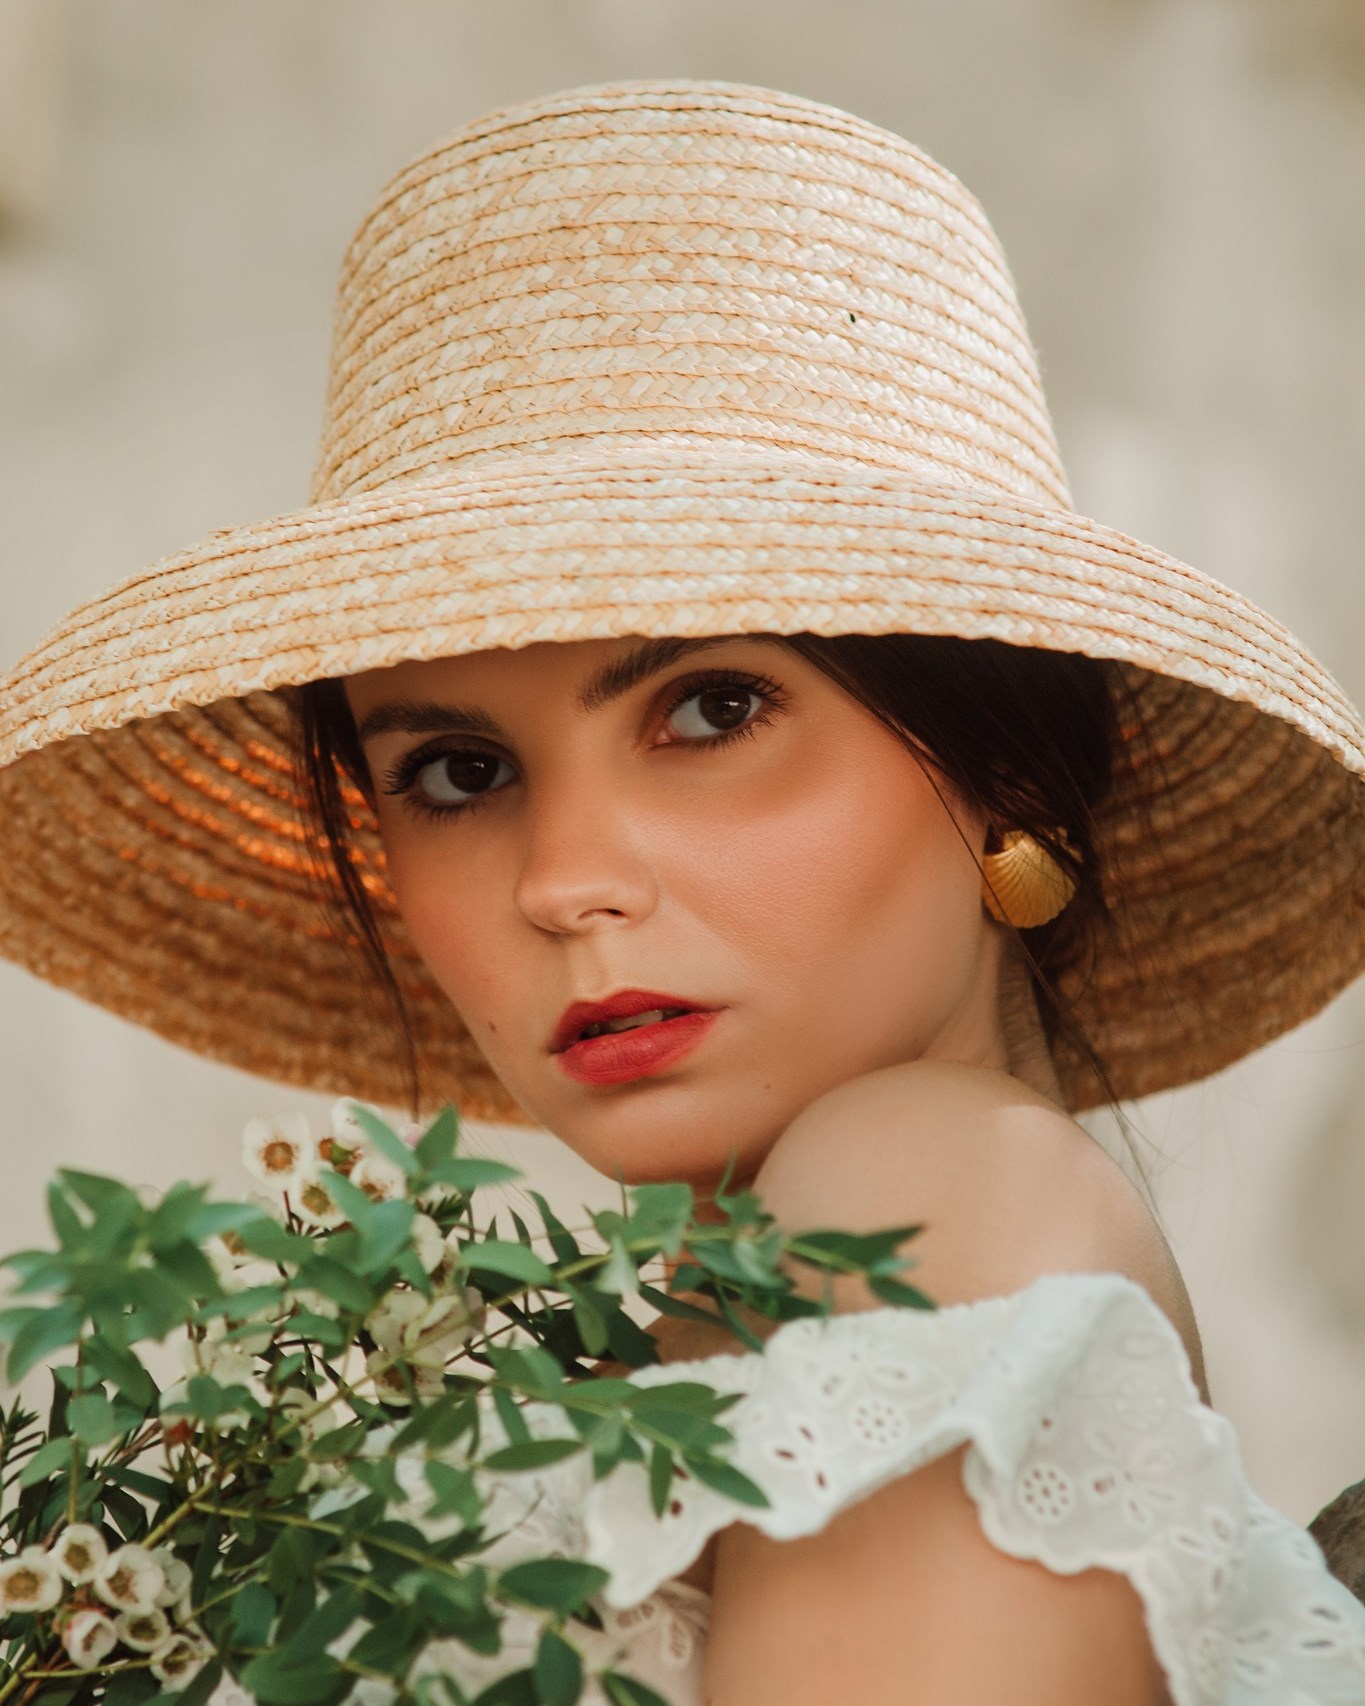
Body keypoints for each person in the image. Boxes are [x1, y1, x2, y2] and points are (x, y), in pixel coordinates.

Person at [1, 79, 1364, 1705]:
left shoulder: (928, 1178)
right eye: (457, 770)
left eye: (711, 708)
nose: (565, 883)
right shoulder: (739, 1301)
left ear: (1001, 769)